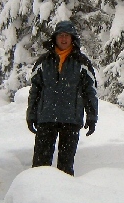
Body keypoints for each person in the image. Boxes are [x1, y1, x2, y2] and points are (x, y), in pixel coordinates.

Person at [26, 20, 98, 176]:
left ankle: (64, 198)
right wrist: (31, 114)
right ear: (55, 38)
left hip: (71, 121)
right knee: (40, 165)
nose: (64, 39)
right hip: (46, 119)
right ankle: (37, 194)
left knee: (65, 167)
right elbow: (35, 90)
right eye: (61, 36)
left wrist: (92, 116)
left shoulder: (82, 62)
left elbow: (90, 91)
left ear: (73, 39)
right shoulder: (43, 62)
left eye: (67, 36)